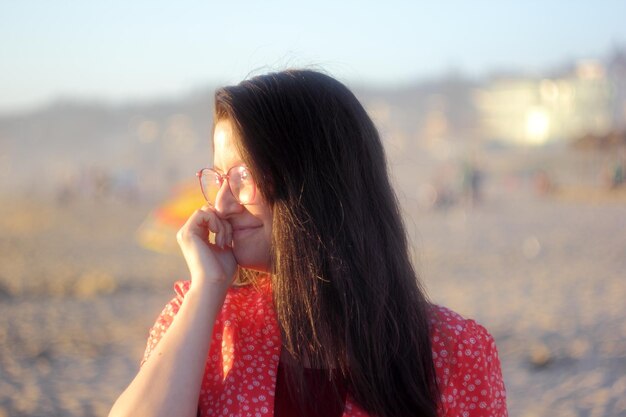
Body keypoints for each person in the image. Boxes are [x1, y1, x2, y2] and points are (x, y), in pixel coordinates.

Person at [109, 69, 507, 417]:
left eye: (243, 175)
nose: (221, 203)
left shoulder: (454, 351)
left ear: (314, 184)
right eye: (218, 176)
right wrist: (207, 289)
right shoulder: (203, 321)